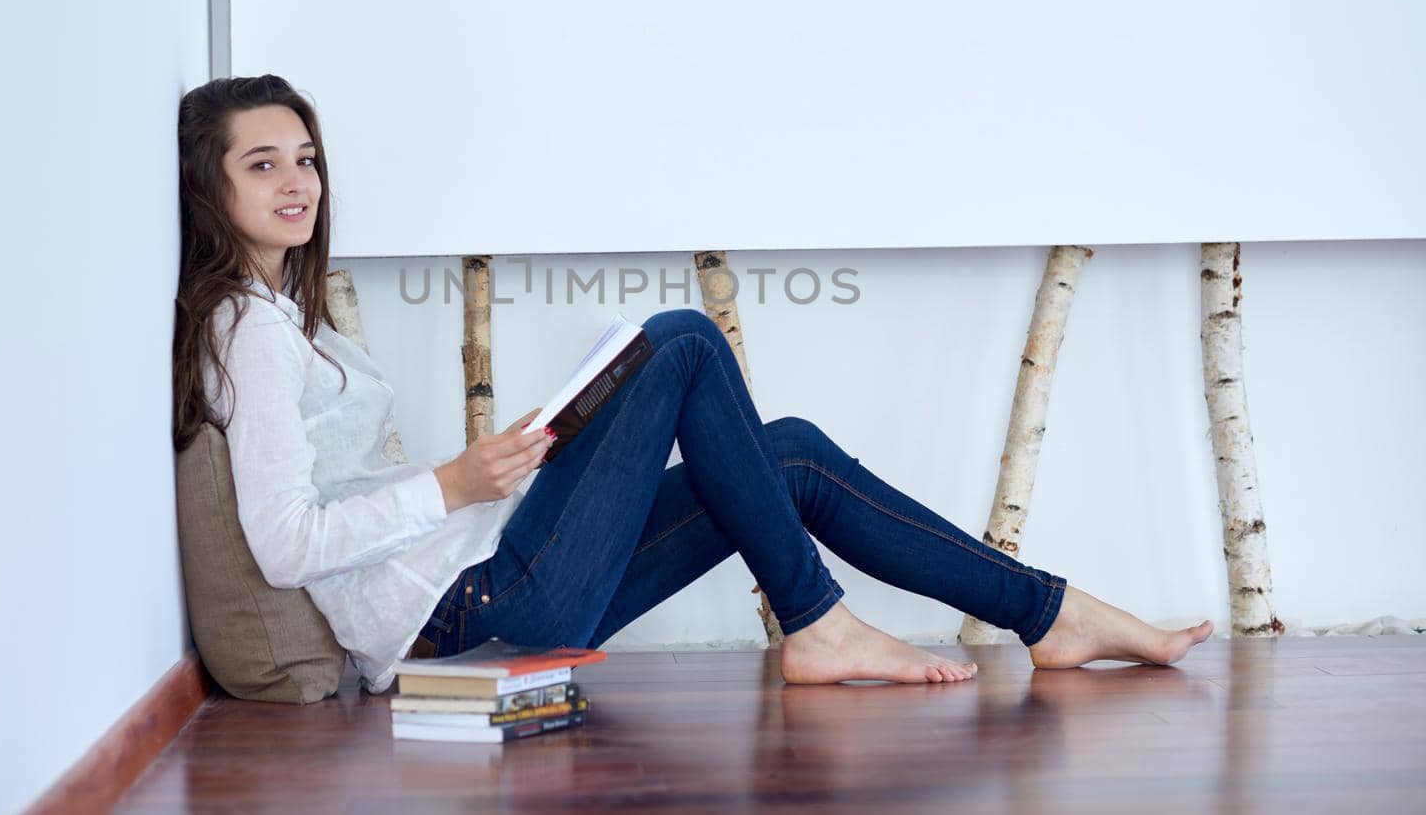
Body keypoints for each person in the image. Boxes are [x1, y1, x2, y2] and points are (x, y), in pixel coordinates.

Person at [172, 74, 1214, 695]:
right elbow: (283, 542)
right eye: (261, 164)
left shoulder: (283, 321)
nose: (297, 181)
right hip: (473, 610)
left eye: (304, 157)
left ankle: (1051, 614)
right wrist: (454, 482)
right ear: (210, 187)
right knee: (676, 339)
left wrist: (514, 465)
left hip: (490, 579)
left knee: (791, 452)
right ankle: (816, 620)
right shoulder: (243, 330)